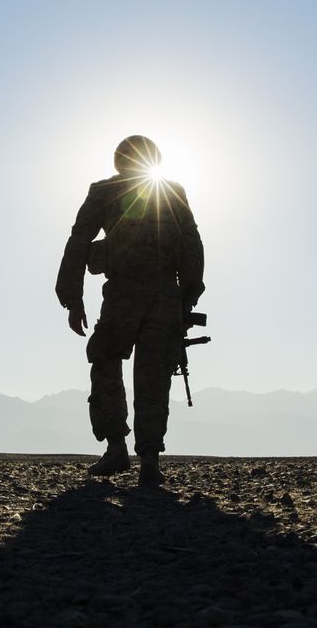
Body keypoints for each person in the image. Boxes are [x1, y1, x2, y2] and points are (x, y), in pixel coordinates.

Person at [54, 135, 205, 486]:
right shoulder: (172, 192)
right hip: (163, 295)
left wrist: (73, 299)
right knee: (153, 376)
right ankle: (148, 459)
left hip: (125, 294)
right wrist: (187, 298)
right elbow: (193, 246)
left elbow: (78, 243)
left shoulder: (104, 192)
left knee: (107, 359)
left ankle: (118, 447)